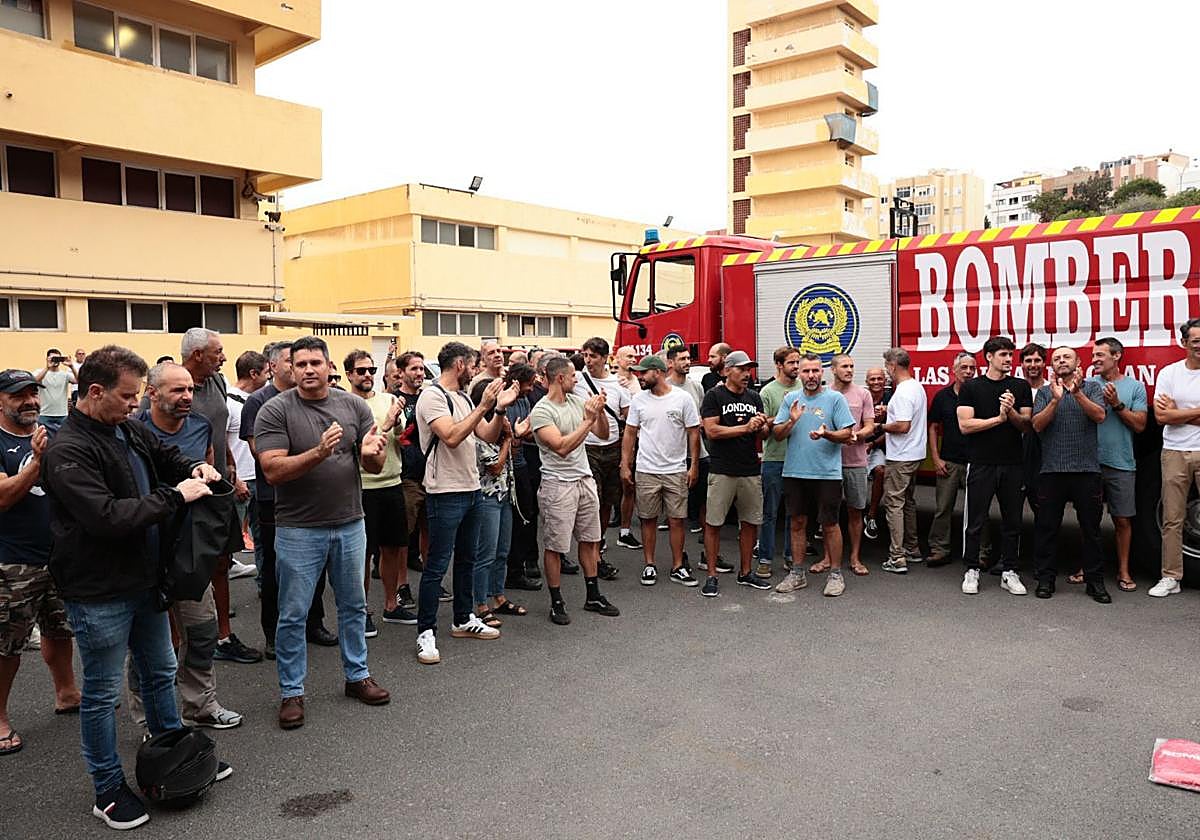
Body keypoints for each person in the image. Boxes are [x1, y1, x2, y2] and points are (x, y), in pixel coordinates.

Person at [41, 346, 227, 830]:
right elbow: (105, 517)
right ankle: (107, 789)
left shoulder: (125, 426)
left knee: (160, 669)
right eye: (127, 396)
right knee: (102, 693)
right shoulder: (68, 450)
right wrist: (175, 494)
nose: (135, 404)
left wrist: (192, 469)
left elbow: (164, 453)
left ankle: (173, 753)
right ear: (95, 391)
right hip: (98, 589)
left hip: (145, 579)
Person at [255, 336, 392, 729]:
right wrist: (318, 452)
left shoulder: (352, 405)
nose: (309, 370)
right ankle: (292, 692)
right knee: (293, 613)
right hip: (299, 529)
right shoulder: (275, 410)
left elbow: (375, 464)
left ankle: (357, 676)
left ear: (330, 366)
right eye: (301, 364)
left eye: (316, 362)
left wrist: (371, 451)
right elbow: (273, 471)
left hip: (350, 523)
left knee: (352, 606)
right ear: (290, 368)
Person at [132, 363, 247, 727]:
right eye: (177, 391)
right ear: (152, 393)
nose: (186, 398)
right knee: (148, 645)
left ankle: (201, 705)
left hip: (190, 548)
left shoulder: (200, 425)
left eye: (189, 390)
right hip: (146, 547)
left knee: (202, 631)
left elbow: (208, 468)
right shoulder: (134, 432)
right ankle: (152, 719)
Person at [414, 342, 518, 665]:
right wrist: (483, 404)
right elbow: (452, 436)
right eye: (472, 364)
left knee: (467, 560)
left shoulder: (460, 397)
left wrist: (499, 409)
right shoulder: (432, 396)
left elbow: (485, 435)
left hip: (472, 488)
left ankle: (462, 618)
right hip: (444, 491)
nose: (475, 370)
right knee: (436, 565)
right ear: (460, 365)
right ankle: (425, 632)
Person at [0, 370, 81, 757]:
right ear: (0, 401)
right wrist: (37, 461)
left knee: (59, 627)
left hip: (58, 553)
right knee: (7, 645)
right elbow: (3, 497)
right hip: (11, 561)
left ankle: (66, 691)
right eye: (19, 396)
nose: (30, 401)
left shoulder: (53, 432)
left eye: (34, 394)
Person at [240, 342, 333, 660]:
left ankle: (314, 623)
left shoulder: (312, 399)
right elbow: (260, 451)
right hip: (273, 498)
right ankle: (273, 632)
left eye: (308, 362)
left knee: (317, 565)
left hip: (314, 496)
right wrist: (306, 454)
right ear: (274, 366)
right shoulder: (259, 401)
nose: (301, 368)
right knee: (276, 568)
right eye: (292, 361)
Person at [176, 329, 258, 665]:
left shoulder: (218, 383)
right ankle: (180, 644)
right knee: (184, 567)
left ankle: (223, 637)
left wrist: (229, 465)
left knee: (221, 562)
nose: (223, 357)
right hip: (186, 489)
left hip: (219, 484)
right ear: (197, 355)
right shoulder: (174, 386)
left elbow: (220, 430)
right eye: (218, 352)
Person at [529, 355, 621, 624]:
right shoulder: (542, 411)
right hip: (558, 485)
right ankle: (557, 601)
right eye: (572, 376)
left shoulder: (577, 402)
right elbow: (562, 446)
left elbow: (604, 434)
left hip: (584, 481)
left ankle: (593, 595)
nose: (577, 378)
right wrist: (587, 420)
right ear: (560, 378)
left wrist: (600, 412)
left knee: (591, 540)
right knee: (556, 546)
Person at [770, 353, 856, 597]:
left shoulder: (835, 399)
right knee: (797, 523)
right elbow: (777, 434)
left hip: (827, 473)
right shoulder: (791, 400)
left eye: (815, 371)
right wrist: (791, 421)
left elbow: (847, 434)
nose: (811, 376)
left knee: (830, 524)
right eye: (806, 371)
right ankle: (797, 573)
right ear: (799, 372)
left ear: (823, 372)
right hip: (795, 471)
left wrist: (827, 434)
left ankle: (836, 575)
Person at [1030, 347, 1109, 603]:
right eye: (1056, 359)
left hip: (1086, 471)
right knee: (1047, 528)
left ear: (1078, 363)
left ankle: (1095, 582)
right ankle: (1045, 580)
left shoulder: (1093, 388)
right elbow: (1037, 425)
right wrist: (1055, 400)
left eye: (1066, 357)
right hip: (1052, 471)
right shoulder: (1044, 392)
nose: (1061, 361)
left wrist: (1076, 394)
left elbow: (1099, 416)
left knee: (1091, 530)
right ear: (1051, 367)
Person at [344, 350, 415, 632]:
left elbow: (401, 437)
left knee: (393, 548)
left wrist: (398, 421)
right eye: (361, 371)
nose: (367, 376)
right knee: (363, 553)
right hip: (362, 487)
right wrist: (386, 424)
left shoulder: (388, 400)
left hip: (392, 482)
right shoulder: (344, 404)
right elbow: (357, 444)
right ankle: (361, 610)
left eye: (371, 370)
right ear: (349, 374)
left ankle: (391, 605)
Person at [957, 336, 1034, 596]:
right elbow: (965, 426)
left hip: (1013, 464)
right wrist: (998, 419)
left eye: (1011, 355)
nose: (1009, 360)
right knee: (976, 520)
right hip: (981, 463)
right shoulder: (972, 387)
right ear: (988, 357)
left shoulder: (1020, 386)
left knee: (1012, 520)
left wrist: (1010, 412)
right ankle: (971, 569)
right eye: (1003, 355)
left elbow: (1026, 424)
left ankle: (1009, 571)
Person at [1069, 337, 1146, 591]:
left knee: (1122, 519)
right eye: (1093, 355)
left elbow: (1140, 425)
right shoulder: (1087, 385)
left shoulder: (1135, 387)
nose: (1094, 360)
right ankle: (1086, 566)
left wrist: (1116, 404)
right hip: (1089, 463)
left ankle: (1123, 571)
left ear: (1117, 356)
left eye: (1100, 355)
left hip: (1121, 462)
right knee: (1088, 519)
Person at [620, 355, 701, 586]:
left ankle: (677, 566)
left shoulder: (683, 398)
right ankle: (649, 564)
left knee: (677, 520)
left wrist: (693, 465)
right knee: (648, 519)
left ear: (657, 371)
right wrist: (625, 464)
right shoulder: (638, 400)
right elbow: (630, 432)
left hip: (675, 469)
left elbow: (693, 432)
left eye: (643, 373)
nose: (640, 377)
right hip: (646, 469)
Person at [699, 350, 772, 597]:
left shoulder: (754, 397)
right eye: (741, 369)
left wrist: (763, 426)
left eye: (749, 369)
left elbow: (761, 436)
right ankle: (711, 575)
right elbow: (711, 431)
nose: (746, 374)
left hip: (750, 468)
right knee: (714, 523)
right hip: (722, 469)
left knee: (751, 522)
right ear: (727, 369)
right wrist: (744, 427)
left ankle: (746, 572)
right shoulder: (714, 395)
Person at [468, 378, 528, 626]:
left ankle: (498, 597)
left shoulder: (500, 425)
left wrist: (515, 436)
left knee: (502, 551)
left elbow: (510, 456)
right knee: (486, 553)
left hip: (504, 495)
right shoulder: (478, 428)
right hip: (487, 498)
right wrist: (506, 440)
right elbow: (494, 466)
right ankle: (481, 603)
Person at [1151, 317, 1200, 598]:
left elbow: (1171, 414)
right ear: (1184, 343)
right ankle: (1171, 577)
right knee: (1172, 518)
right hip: (1174, 453)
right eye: (1195, 341)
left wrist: (1178, 413)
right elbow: (1161, 417)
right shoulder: (1169, 373)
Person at [576, 337, 633, 568]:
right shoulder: (578, 380)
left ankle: (598, 546)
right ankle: (593, 556)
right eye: (586, 355)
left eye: (593, 356)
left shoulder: (618, 384)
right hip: (587, 446)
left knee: (608, 502)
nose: (588, 360)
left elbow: (628, 417)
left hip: (612, 447)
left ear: (605, 357)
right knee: (594, 499)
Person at [877, 348, 928, 575]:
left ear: (892, 366)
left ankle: (897, 556)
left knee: (894, 504)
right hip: (915, 454)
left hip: (901, 456)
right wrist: (889, 409)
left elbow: (903, 425)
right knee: (907, 501)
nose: (887, 371)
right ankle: (912, 547)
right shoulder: (915, 387)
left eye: (887, 366)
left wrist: (881, 426)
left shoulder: (903, 392)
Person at [824, 353, 875, 577]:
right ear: (833, 369)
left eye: (852, 366)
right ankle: (827, 557)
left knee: (856, 511)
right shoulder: (825, 394)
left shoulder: (863, 393)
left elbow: (870, 425)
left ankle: (855, 557)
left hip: (856, 462)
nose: (849, 370)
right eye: (845, 366)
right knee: (828, 513)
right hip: (828, 463)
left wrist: (856, 436)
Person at [927, 352, 979, 567]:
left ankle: (980, 553)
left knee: (977, 510)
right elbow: (933, 427)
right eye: (964, 368)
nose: (968, 372)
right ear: (954, 370)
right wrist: (936, 458)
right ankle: (940, 549)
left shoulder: (980, 394)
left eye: (972, 368)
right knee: (943, 509)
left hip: (975, 462)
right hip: (949, 461)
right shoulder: (943, 396)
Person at [756, 347, 801, 579]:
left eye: (797, 362)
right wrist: (781, 417)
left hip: (799, 460)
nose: (796, 366)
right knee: (769, 513)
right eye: (791, 362)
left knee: (794, 513)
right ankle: (764, 559)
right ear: (779, 365)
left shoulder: (804, 388)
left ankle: (791, 556)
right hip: (774, 459)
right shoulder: (767, 392)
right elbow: (763, 430)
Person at [226, 351, 267, 577]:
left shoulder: (259, 400)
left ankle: (264, 583)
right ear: (253, 374)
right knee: (229, 539)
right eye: (266, 372)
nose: (269, 377)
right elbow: (221, 444)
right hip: (240, 480)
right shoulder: (228, 402)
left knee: (261, 536)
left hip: (259, 478)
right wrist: (236, 479)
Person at [502, 363, 543, 591]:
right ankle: (510, 571)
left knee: (526, 516)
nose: (531, 388)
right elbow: (505, 434)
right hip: (506, 467)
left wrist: (520, 435)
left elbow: (527, 430)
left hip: (521, 465)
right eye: (528, 384)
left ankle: (518, 568)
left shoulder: (524, 400)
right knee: (511, 520)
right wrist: (517, 436)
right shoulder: (504, 401)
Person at [395, 351, 430, 589]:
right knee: (403, 537)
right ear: (401, 373)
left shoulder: (430, 398)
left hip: (432, 475)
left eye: (421, 368)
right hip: (406, 477)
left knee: (430, 533)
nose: (419, 373)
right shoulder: (393, 401)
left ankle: (431, 582)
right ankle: (401, 586)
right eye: (414, 368)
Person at [665, 346, 709, 535]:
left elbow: (703, 414)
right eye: (682, 359)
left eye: (688, 358)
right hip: (673, 453)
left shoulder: (696, 386)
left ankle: (703, 529)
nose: (687, 362)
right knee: (675, 496)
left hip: (697, 450)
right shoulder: (665, 387)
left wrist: (701, 422)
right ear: (671, 363)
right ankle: (674, 522)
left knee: (701, 494)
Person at [862, 367, 890, 539]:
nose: (876, 382)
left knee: (880, 471)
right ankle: (827, 519)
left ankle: (871, 515)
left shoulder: (892, 399)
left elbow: (895, 430)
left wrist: (873, 443)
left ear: (885, 380)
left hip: (877, 445)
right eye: (872, 379)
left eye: (879, 379)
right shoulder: (862, 397)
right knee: (839, 476)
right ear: (867, 382)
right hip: (857, 445)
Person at [34, 349, 76, 432]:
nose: (55, 361)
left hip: (62, 414)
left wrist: (72, 366)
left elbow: (79, 381)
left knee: (62, 439)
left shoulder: (65, 374)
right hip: (44, 414)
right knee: (44, 440)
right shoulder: (40, 372)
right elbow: (34, 381)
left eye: (58, 358)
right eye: (53, 358)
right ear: (47, 359)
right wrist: (47, 367)